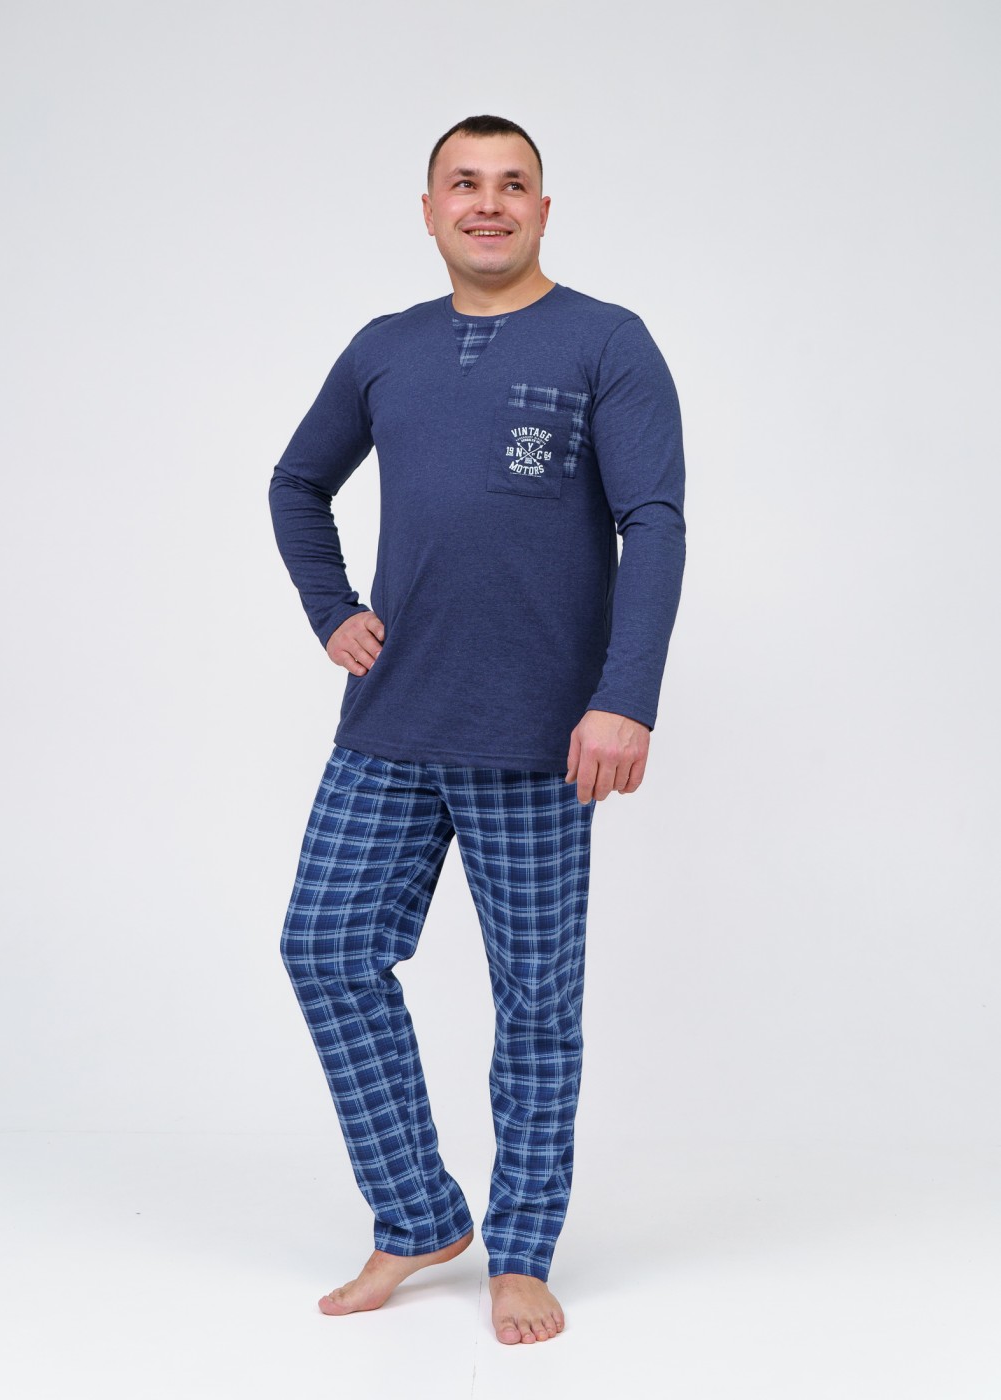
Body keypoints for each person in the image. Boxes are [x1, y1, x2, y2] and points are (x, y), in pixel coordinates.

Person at [268, 114, 686, 1345]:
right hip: (391, 724)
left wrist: (624, 696)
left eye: (513, 185)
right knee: (325, 946)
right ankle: (416, 1213)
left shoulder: (607, 340)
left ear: (544, 210)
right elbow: (296, 482)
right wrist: (333, 608)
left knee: (535, 1003)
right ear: (430, 208)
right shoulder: (384, 347)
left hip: (541, 735)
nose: (488, 202)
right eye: (465, 183)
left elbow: (654, 522)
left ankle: (524, 1250)